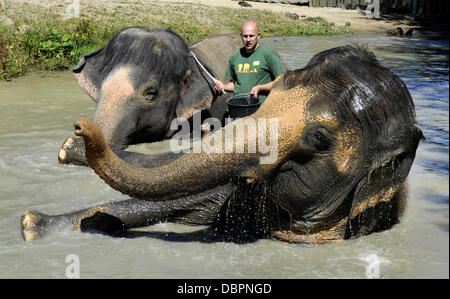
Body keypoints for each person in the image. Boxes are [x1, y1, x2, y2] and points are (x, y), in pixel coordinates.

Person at [214, 20, 286, 103]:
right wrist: (224, 86)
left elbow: (282, 81)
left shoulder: (269, 54)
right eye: (245, 36)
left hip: (262, 107)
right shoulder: (235, 57)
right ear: (240, 35)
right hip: (238, 106)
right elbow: (236, 85)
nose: (248, 40)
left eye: (251, 36)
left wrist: (260, 88)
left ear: (258, 36)